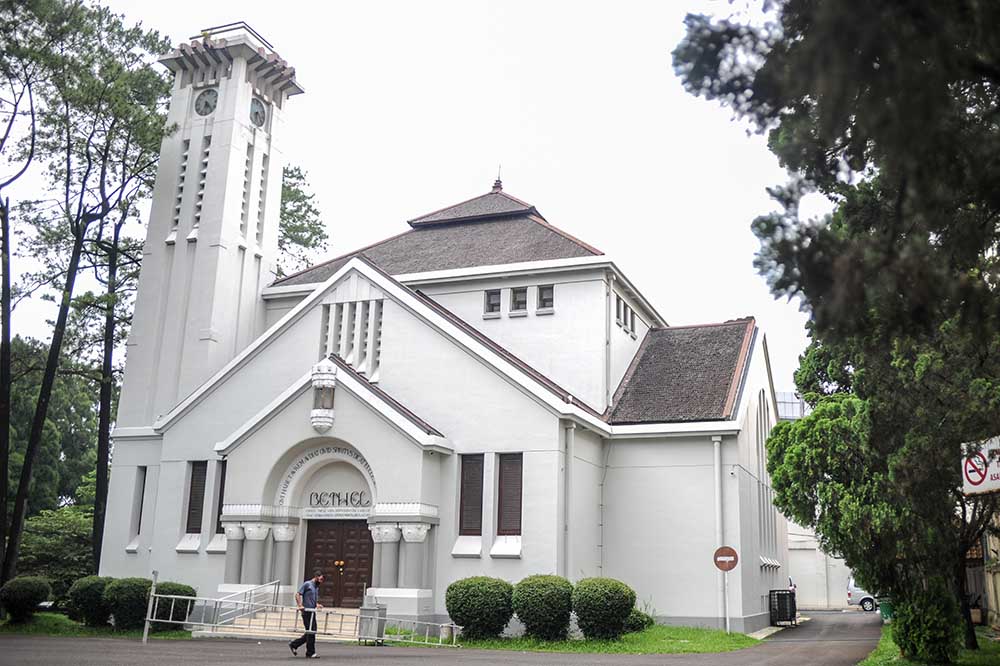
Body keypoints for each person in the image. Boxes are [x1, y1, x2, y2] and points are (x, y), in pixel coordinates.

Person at [289, 570, 325, 658]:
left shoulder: (316, 587)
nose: (321, 582)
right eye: (320, 579)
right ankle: (310, 652)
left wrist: (317, 604)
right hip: (306, 611)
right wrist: (300, 605)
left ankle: (294, 644)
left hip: (312, 611)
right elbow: (298, 594)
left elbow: (312, 599)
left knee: (311, 631)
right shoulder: (307, 584)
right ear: (316, 577)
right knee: (311, 631)